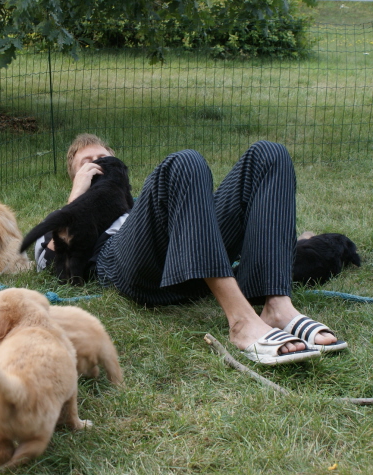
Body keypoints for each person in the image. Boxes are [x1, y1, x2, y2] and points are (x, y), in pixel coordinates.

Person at [33, 133, 347, 365]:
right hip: (126, 265)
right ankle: (240, 321)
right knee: (183, 162)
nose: (96, 166)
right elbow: (51, 266)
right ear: (74, 176)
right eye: (85, 164)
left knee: (269, 154)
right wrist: (78, 197)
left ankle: (277, 307)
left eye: (102, 159)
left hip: (190, 263)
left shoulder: (145, 203)